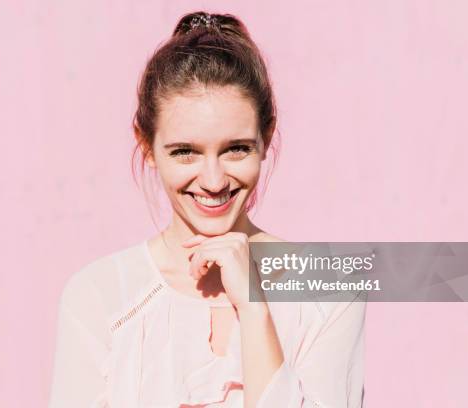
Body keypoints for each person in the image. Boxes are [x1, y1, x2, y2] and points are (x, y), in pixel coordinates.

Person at [48, 11, 365, 408]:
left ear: (267, 136)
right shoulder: (100, 297)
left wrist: (253, 306)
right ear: (146, 146)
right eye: (185, 152)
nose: (213, 181)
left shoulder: (330, 292)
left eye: (236, 149)